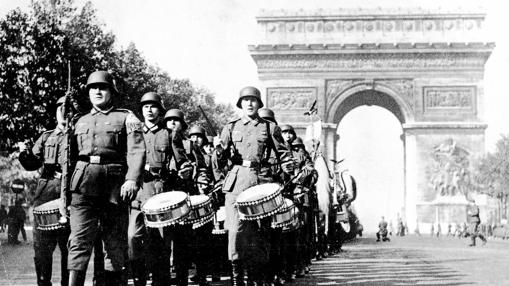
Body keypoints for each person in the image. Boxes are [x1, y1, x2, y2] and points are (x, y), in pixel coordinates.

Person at [66, 71, 146, 286]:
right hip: (82, 185)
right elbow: (69, 158)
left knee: (114, 244)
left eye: (103, 87)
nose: (98, 91)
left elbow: (137, 151)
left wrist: (132, 180)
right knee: (78, 242)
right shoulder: (78, 120)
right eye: (93, 88)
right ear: (88, 92)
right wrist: (66, 192)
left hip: (114, 186)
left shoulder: (126, 117)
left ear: (111, 91)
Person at [216, 86, 293, 286]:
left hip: (260, 182)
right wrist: (219, 151)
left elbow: (283, 154)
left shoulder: (269, 127)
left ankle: (259, 277)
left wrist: (288, 166)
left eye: (253, 100)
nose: (249, 103)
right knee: (235, 231)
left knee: (261, 233)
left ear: (259, 104)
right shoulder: (230, 127)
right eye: (246, 100)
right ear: (240, 104)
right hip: (236, 182)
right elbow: (218, 162)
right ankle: (237, 277)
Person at [18, 95, 71, 286]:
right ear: (55, 113)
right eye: (60, 109)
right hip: (46, 195)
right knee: (42, 249)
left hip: (71, 196)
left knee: (70, 250)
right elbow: (32, 163)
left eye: (68, 108)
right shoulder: (47, 136)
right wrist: (23, 153)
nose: (64, 112)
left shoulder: (80, 135)